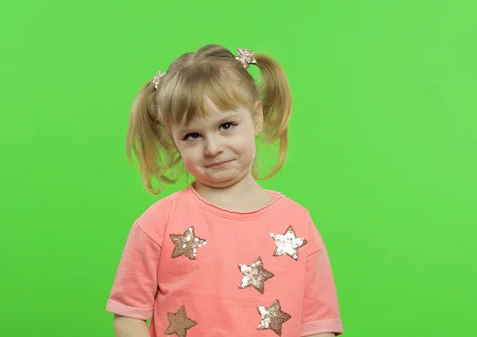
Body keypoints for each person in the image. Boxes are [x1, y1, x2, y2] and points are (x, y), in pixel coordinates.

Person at [106, 44, 343, 337]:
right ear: (173, 140)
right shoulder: (158, 223)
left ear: (256, 118)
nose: (213, 148)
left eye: (226, 125)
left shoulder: (298, 224)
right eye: (192, 135)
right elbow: (129, 314)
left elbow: (319, 324)